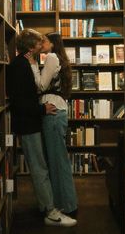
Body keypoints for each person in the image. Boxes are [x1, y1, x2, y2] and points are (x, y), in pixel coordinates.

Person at [7, 29, 77, 227]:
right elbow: (20, 100)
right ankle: (50, 212)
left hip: (34, 120)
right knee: (39, 167)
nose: (42, 46)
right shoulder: (20, 64)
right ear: (31, 46)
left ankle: (50, 206)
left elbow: (32, 91)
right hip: (28, 122)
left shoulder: (30, 62)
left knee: (42, 166)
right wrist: (41, 108)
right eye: (39, 43)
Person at [26, 32, 78, 215]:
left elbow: (40, 85)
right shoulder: (57, 58)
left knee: (57, 161)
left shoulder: (51, 57)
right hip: (57, 112)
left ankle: (67, 206)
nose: (41, 44)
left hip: (53, 113)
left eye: (45, 41)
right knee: (58, 160)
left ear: (53, 44)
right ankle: (64, 203)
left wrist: (32, 65)